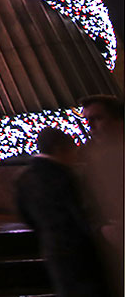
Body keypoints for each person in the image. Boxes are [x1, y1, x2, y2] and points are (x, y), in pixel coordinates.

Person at [15, 127, 111, 297]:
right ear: (60, 149)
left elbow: (26, 216)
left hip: (52, 249)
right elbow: (82, 214)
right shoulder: (65, 176)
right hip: (82, 252)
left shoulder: (24, 178)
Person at [78, 94, 123, 292]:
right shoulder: (87, 158)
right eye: (88, 120)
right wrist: (103, 229)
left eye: (97, 118)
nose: (91, 127)